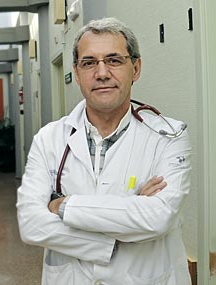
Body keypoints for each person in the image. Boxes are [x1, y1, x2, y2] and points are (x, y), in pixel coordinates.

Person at [16, 18, 191, 284]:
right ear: (76, 72)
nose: (101, 73)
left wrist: (62, 205)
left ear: (136, 67)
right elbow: (31, 224)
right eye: (89, 63)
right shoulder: (48, 139)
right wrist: (122, 223)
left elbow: (158, 218)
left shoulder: (169, 136)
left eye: (114, 60)